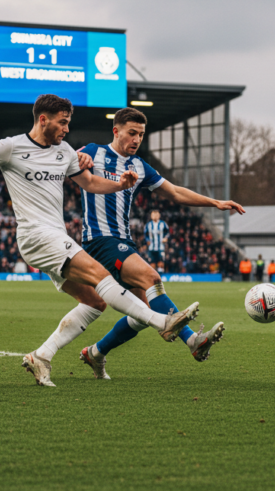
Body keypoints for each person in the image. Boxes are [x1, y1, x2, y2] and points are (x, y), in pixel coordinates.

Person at [0, 94, 198, 387]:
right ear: (43, 120)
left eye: (68, 123)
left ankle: (41, 356)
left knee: (95, 301)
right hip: (35, 235)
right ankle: (163, 322)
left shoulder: (65, 151)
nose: (67, 129)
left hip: (56, 236)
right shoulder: (10, 147)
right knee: (102, 276)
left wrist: (119, 184)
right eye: (63, 122)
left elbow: (90, 183)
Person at [75, 108, 245, 378]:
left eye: (141, 135)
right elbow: (63, 159)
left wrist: (215, 202)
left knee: (143, 312)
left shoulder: (139, 166)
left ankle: (95, 353)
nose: (136, 139)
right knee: (151, 277)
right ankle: (193, 340)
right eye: (132, 133)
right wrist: (77, 156)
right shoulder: (94, 152)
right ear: (116, 131)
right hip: (99, 240)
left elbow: (175, 192)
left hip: (123, 240)